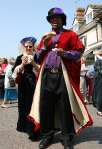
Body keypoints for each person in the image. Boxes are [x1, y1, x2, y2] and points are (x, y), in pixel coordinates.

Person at [29, 8, 93, 149]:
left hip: (62, 75)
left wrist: (65, 53)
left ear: (62, 20)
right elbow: (38, 59)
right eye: (52, 18)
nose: (54, 20)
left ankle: (67, 137)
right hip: (46, 76)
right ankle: (47, 135)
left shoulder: (71, 34)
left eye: (57, 18)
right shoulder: (45, 37)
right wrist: (44, 46)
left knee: (64, 107)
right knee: (46, 107)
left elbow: (78, 53)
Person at [12, 37, 40, 140]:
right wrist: (22, 64)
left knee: (34, 105)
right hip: (23, 85)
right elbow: (14, 72)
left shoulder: (36, 56)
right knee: (24, 106)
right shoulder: (20, 57)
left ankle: (34, 129)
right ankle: (26, 127)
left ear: (33, 47)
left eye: (30, 46)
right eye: (26, 46)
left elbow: (41, 70)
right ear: (24, 47)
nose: (28, 48)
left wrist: (33, 63)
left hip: (34, 83)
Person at [92, 50, 102, 116]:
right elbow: (100, 70)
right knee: (99, 94)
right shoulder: (98, 61)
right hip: (99, 80)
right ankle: (99, 110)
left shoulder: (98, 60)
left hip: (99, 79)